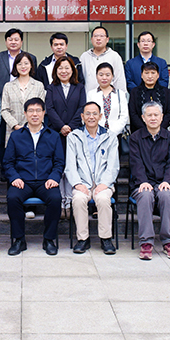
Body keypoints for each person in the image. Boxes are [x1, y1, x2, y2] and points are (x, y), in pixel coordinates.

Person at [4, 98, 65, 256]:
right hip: (23, 181)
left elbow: (59, 162)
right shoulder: (16, 136)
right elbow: (8, 162)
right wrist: (14, 177)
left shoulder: (53, 136)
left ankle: (49, 239)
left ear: (44, 113)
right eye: (31, 111)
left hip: (46, 181)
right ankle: (19, 240)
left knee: (55, 199)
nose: (35, 114)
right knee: (12, 198)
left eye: (38, 110)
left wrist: (54, 177)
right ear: (25, 114)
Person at [65, 101, 119, 255]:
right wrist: (77, 183)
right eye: (87, 114)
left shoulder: (110, 137)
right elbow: (70, 165)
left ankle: (106, 238)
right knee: (78, 199)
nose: (91, 117)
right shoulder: (74, 136)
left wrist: (105, 183)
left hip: (103, 183)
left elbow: (113, 165)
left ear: (100, 116)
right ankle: (83, 239)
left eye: (95, 113)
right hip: (82, 182)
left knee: (103, 199)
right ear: (82, 116)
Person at [128, 101, 170, 260]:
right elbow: (135, 162)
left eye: (156, 115)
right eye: (149, 115)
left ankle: (169, 241)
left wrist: (167, 181)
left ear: (162, 117)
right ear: (143, 118)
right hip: (142, 182)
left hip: (164, 182)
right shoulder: (135, 138)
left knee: (166, 195)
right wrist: (142, 181)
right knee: (145, 195)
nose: (153, 118)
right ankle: (146, 242)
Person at [45, 56, 86, 217]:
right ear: (56, 70)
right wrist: (61, 126)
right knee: (58, 167)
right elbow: (49, 108)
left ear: (73, 70)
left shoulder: (80, 87)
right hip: (56, 133)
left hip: (74, 133)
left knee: (72, 166)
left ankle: (69, 201)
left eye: (67, 68)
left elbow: (82, 107)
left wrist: (70, 127)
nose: (64, 71)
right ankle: (61, 201)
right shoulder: (51, 88)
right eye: (60, 68)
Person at [0, 28, 38, 152]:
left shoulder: (31, 57)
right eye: (10, 39)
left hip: (27, 102)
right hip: (5, 103)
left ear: (21, 41)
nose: (13, 42)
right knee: (4, 139)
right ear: (6, 41)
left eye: (16, 39)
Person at [1, 51, 46, 147]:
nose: (23, 66)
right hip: (13, 131)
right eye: (19, 64)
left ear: (31, 66)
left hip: (34, 131)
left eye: (26, 63)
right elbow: (4, 110)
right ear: (15, 66)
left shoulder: (38, 85)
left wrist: (32, 126)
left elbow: (42, 109)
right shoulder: (8, 86)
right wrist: (15, 125)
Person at [86, 62, 129, 139]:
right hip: (95, 135)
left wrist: (112, 133)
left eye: (107, 75)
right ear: (96, 76)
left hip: (116, 135)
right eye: (101, 75)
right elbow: (88, 114)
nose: (104, 78)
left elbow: (124, 116)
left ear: (112, 76)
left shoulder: (120, 94)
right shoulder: (91, 94)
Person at [128, 61, 170, 133]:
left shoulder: (165, 91)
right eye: (146, 73)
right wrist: (146, 130)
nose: (150, 76)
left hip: (161, 131)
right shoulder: (135, 92)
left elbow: (169, 112)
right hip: (139, 132)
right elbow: (133, 113)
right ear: (142, 75)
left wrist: (158, 128)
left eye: (153, 73)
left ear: (158, 75)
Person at [80, 26, 126, 95]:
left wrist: (121, 96)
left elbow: (119, 80)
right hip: (89, 98)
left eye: (101, 36)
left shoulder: (114, 56)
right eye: (95, 36)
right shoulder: (84, 57)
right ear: (91, 39)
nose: (98, 38)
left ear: (107, 39)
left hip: (109, 98)